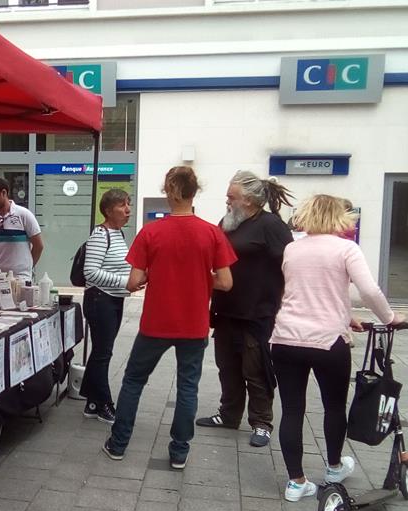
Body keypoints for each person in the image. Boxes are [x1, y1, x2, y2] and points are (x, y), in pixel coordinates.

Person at [271, 194, 406, 502]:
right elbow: (368, 289)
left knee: (292, 409)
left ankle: (296, 482)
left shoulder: (292, 248)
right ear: (339, 218)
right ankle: (333, 467)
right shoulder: (346, 249)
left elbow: (303, 293)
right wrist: (390, 317)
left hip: (286, 338)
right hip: (328, 341)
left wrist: (347, 316)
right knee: (333, 406)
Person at [103, 166, 237, 469]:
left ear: (167, 191)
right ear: (195, 191)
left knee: (134, 380)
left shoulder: (151, 232)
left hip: (155, 323)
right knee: (188, 386)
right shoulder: (211, 233)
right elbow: (226, 282)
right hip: (194, 324)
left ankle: (118, 443)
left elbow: (132, 282)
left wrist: (155, 274)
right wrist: (200, 279)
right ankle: (179, 451)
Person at [196, 171, 294, 448]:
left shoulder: (271, 225)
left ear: (249, 201)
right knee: (227, 366)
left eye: (232, 197)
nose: (227, 201)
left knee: (256, 369)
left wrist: (287, 302)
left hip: (257, 311)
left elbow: (290, 265)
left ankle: (261, 422)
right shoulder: (228, 223)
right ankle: (228, 414)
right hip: (226, 309)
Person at [80, 188, 133, 424]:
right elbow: (89, 272)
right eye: (123, 205)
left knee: (102, 351)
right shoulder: (101, 235)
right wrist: (126, 281)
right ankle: (104, 403)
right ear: (109, 210)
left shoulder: (118, 234)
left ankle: (91, 402)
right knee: (103, 353)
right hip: (100, 300)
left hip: (114, 299)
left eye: (128, 204)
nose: (128, 209)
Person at [0, 177, 43, 280]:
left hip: (20, 277)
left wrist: (27, 267)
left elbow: (39, 245)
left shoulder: (24, 214)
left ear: (4, 193)